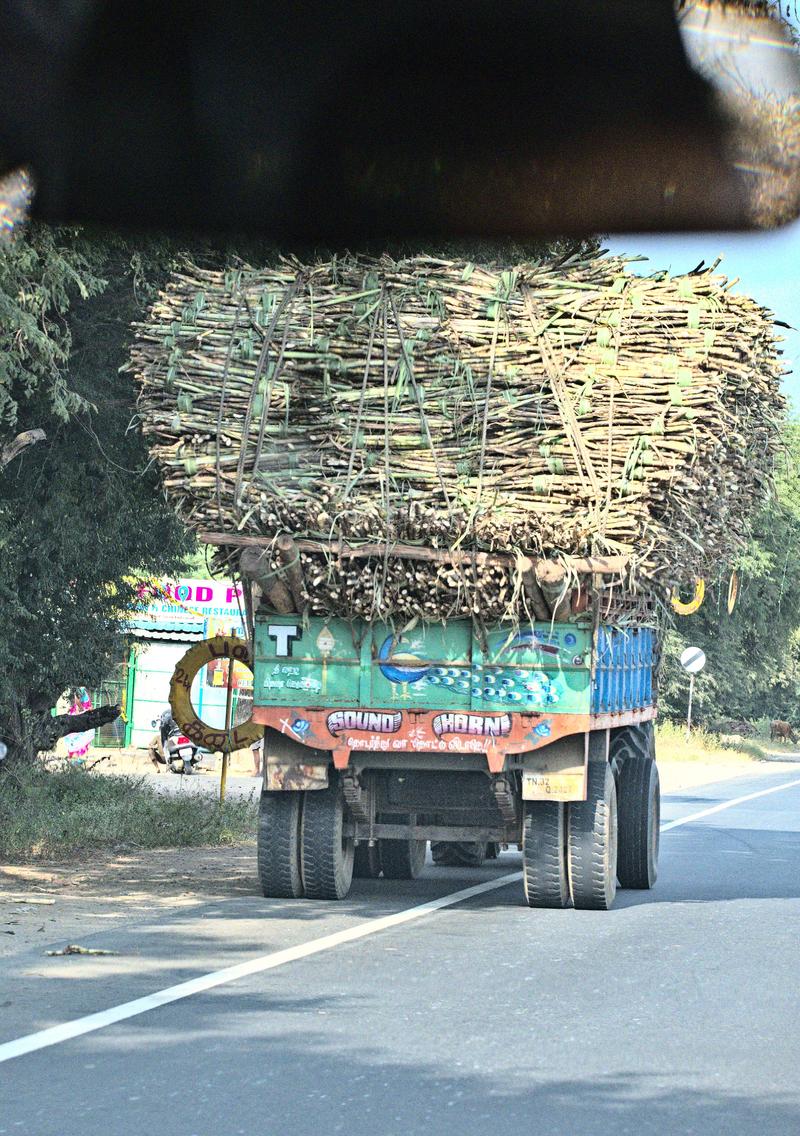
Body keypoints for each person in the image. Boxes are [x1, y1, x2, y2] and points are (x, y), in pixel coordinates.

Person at [64, 687, 94, 763]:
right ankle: (76, 759)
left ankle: (77, 758)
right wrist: (81, 709)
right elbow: (77, 700)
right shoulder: (81, 689)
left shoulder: (83, 690)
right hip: (80, 716)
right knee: (79, 736)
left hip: (82, 715)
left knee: (82, 736)